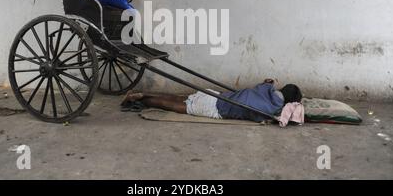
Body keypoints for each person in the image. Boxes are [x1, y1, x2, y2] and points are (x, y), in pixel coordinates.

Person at [121, 79, 303, 123]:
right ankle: (144, 100)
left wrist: (270, 83)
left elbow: (266, 83)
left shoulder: (266, 88)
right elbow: (258, 116)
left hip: (215, 94)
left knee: (178, 98)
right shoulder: (272, 110)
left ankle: (142, 93)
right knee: (174, 106)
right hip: (215, 108)